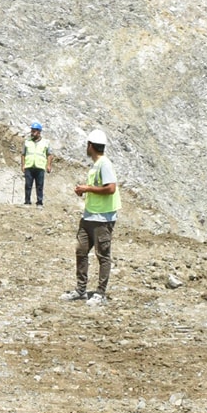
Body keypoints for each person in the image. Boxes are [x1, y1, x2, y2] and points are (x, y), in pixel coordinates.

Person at [69, 129, 119, 302]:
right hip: (89, 216)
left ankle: (100, 293)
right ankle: (81, 290)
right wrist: (84, 191)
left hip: (103, 219)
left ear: (90, 146)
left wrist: (87, 188)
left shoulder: (104, 164)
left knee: (103, 255)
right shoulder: (97, 165)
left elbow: (111, 188)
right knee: (81, 251)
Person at [22, 123, 50, 206]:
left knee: (39, 186)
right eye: (32, 130)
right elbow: (23, 154)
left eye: (34, 131)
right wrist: (23, 165)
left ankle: (39, 202)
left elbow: (49, 155)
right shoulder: (27, 142)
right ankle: (27, 202)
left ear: (39, 131)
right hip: (29, 166)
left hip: (40, 167)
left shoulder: (45, 142)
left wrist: (48, 165)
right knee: (28, 185)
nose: (32, 132)